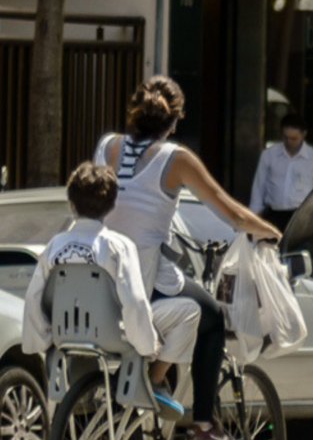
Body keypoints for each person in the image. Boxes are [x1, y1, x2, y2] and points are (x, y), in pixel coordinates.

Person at [94, 76, 280, 440]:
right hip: (144, 279)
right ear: (175, 121)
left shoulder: (107, 146)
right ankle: (202, 424)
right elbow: (230, 212)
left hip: (102, 277)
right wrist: (269, 232)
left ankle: (153, 382)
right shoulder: (176, 158)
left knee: (184, 305)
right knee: (210, 316)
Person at [21, 162, 201, 422]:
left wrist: (44, 339)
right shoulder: (117, 245)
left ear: (71, 203)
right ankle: (156, 380)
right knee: (189, 311)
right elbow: (135, 301)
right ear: (111, 205)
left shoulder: (54, 246)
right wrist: (147, 346)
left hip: (66, 336)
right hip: (114, 335)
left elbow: (35, 297)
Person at [249, 114, 313, 231]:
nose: (289, 142)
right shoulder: (269, 155)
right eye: (285, 137)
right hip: (273, 215)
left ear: (303, 135)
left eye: (294, 138)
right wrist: (253, 217)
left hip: (300, 217)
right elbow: (258, 188)